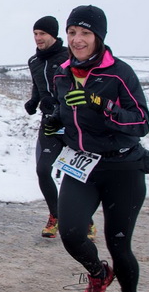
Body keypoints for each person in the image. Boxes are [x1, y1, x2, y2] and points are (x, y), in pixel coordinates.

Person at [46, 5, 149, 292]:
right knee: (72, 234)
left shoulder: (118, 73)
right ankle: (98, 275)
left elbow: (141, 122)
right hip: (83, 166)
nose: (77, 39)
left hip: (123, 168)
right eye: (72, 32)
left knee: (119, 246)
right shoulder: (62, 74)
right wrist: (56, 120)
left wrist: (101, 104)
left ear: (99, 36)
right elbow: (62, 109)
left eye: (85, 33)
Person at [24, 16, 99, 239]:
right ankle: (55, 216)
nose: (38, 38)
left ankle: (85, 220)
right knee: (43, 170)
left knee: (75, 172)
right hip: (48, 122)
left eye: (42, 34)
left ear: (53, 35)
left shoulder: (68, 56)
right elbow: (38, 86)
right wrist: (33, 101)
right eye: (35, 34)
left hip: (71, 122)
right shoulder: (33, 61)